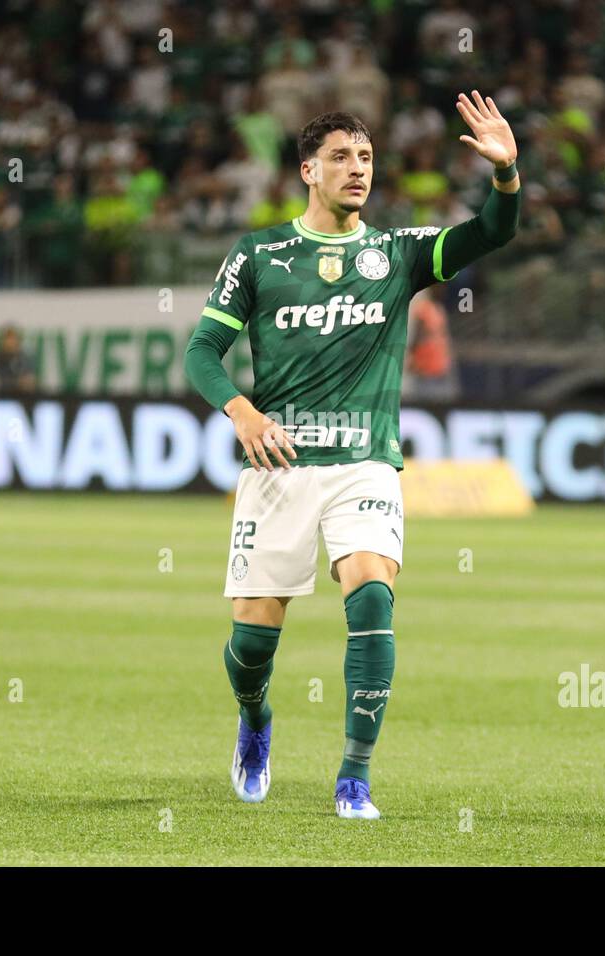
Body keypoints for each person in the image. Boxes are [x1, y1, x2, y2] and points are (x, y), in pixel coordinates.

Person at [183, 94, 520, 819]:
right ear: (308, 169)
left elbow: (491, 233)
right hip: (279, 467)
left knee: (370, 595)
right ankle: (256, 721)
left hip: (365, 461)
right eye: (340, 157)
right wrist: (241, 412)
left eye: (365, 157)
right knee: (250, 647)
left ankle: (354, 776)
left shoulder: (396, 255)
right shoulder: (259, 254)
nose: (356, 169)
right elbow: (201, 349)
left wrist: (506, 175)